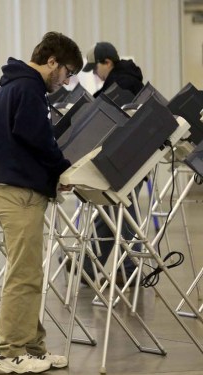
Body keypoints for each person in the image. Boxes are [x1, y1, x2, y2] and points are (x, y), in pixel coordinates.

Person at [0, 31, 83, 374]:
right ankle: (7, 352)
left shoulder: (11, 86)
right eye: (66, 72)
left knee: (30, 272)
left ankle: (33, 347)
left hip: (12, 187)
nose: (65, 81)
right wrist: (62, 171)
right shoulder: (29, 89)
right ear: (52, 62)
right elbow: (37, 138)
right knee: (23, 275)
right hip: (18, 193)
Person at [81, 42, 144, 285]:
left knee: (124, 215)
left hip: (126, 159)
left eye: (96, 68)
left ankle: (129, 270)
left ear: (107, 62)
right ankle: (88, 265)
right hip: (125, 157)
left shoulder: (123, 82)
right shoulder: (124, 79)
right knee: (109, 210)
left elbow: (105, 107)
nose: (95, 74)